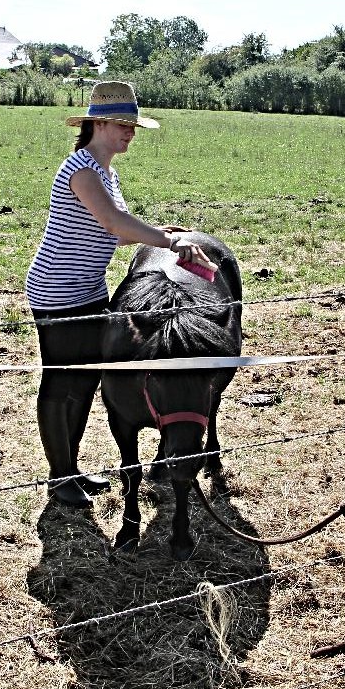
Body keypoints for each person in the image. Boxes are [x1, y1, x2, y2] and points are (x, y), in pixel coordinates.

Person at [25, 80, 215, 507]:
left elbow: (121, 230)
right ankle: (60, 478)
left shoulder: (106, 172)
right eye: (124, 125)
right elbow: (112, 224)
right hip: (58, 291)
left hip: (89, 287)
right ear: (99, 124)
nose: (130, 133)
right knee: (62, 381)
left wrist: (167, 232)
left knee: (86, 377)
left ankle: (70, 469)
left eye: (133, 125)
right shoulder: (81, 170)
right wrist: (169, 244)